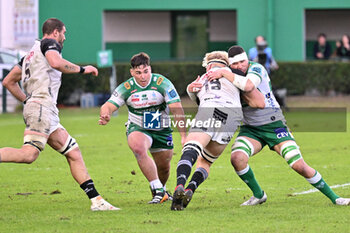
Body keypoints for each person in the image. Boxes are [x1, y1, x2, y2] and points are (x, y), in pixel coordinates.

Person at [208, 45, 350, 206]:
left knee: (298, 165)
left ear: (247, 59)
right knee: (237, 158)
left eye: (243, 61)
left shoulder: (257, 69)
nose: (240, 65)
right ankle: (259, 195)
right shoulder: (229, 77)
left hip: (274, 125)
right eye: (235, 64)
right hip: (251, 129)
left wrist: (224, 73)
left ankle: (335, 198)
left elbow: (248, 86)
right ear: (230, 65)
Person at [0, 18, 119, 211]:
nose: (64, 37)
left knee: (73, 152)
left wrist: (27, 101)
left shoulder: (31, 53)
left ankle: (97, 201)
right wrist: (83, 69)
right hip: (42, 108)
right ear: (55, 32)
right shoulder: (49, 43)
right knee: (29, 154)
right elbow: (55, 62)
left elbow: (8, 81)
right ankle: (97, 201)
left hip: (44, 109)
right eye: (63, 33)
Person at [170, 51, 265, 211]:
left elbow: (195, 94)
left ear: (208, 65)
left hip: (210, 109)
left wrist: (190, 90)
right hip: (232, 118)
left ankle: (180, 185)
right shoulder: (236, 77)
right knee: (206, 161)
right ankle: (191, 188)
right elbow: (259, 102)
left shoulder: (202, 78)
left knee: (191, 148)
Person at [99, 52, 186, 204]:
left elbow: (177, 109)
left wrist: (184, 136)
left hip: (161, 129)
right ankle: (158, 189)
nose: (143, 76)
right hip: (138, 126)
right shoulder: (126, 87)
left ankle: (162, 191)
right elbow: (108, 105)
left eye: (146, 72)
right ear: (132, 72)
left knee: (164, 167)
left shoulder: (162, 83)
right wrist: (105, 114)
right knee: (138, 148)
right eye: (138, 73)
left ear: (150, 69)